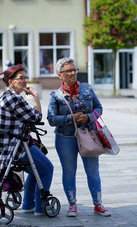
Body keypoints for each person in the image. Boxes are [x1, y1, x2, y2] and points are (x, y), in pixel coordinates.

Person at [47, 58, 111, 217]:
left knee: (93, 171)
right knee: (69, 172)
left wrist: (89, 117)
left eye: (74, 70)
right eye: (68, 71)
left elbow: (99, 108)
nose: (73, 73)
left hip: (89, 136)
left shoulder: (87, 89)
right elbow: (51, 119)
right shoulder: (55, 95)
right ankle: (72, 204)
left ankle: (98, 204)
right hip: (65, 138)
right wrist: (71, 118)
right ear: (60, 75)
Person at [0, 64, 53, 216]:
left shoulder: (5, 96)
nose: (25, 81)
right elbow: (36, 117)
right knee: (47, 169)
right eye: (21, 78)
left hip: (6, 146)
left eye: (25, 77)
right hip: (14, 147)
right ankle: (40, 208)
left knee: (37, 169)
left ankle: (28, 205)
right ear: (10, 81)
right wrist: (36, 96)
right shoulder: (14, 99)